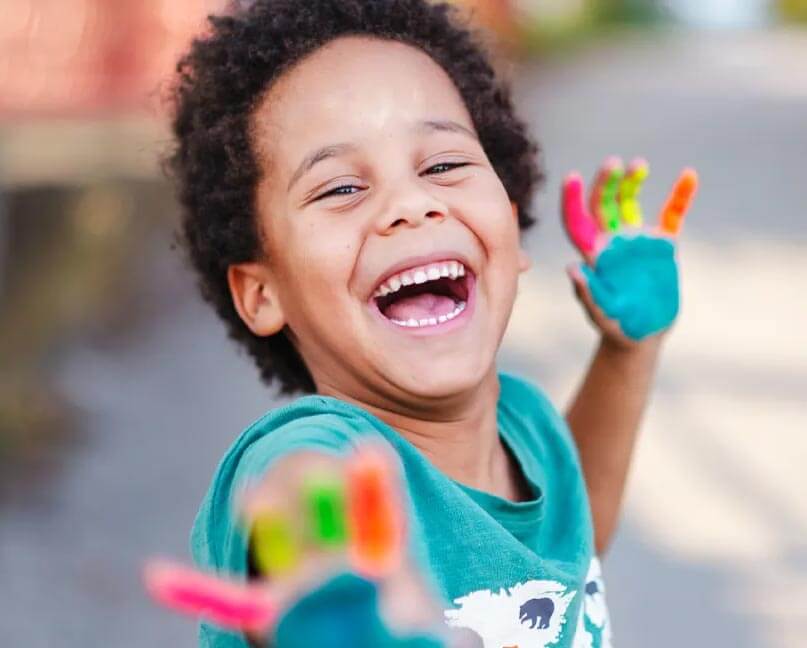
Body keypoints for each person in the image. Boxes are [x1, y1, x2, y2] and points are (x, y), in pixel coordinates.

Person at [167, 1, 693, 646]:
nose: (412, 204)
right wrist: (338, 602)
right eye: (340, 188)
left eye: (443, 166)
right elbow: (302, 500)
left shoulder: (525, 422)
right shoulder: (314, 450)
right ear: (261, 292)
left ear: (511, 213)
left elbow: (580, 535)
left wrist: (628, 353)